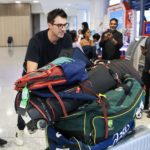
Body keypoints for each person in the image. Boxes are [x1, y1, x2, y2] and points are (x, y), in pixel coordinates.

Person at [15, 8, 72, 146]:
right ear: (49, 25)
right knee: (24, 106)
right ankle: (20, 130)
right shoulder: (36, 41)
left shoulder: (67, 39)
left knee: (57, 108)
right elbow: (31, 72)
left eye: (65, 25)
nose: (63, 29)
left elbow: (68, 63)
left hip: (55, 79)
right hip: (33, 80)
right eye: (59, 25)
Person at [141, 36, 150, 118]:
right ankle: (145, 105)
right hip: (146, 68)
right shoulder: (148, 39)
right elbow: (143, 50)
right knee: (145, 87)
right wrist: (143, 51)